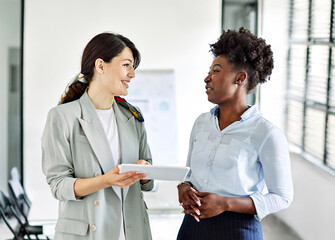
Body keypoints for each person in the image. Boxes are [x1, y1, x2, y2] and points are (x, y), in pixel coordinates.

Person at [177, 27, 293, 240]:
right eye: (210, 71)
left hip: (238, 230)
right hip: (192, 226)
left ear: (240, 78)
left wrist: (225, 203)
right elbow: (189, 173)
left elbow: (282, 197)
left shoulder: (266, 133)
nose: (207, 78)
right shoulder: (202, 122)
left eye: (216, 71)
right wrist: (184, 186)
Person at [42, 32, 153, 240]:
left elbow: (148, 177)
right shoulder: (63, 117)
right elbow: (59, 185)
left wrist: (144, 171)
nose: (132, 75)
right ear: (100, 66)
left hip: (134, 231)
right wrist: (106, 180)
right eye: (126, 65)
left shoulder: (133, 116)